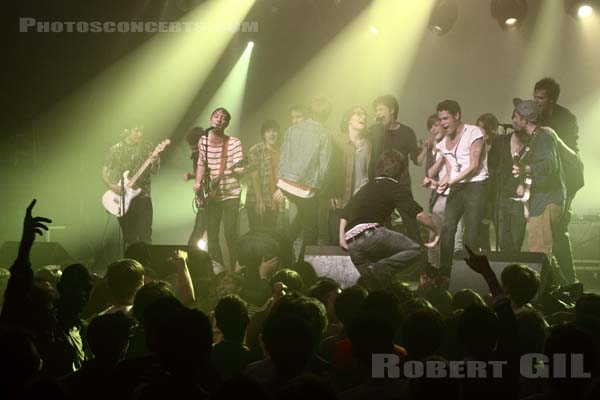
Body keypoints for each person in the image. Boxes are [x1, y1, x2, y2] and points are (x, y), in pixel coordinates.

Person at [339, 150, 439, 286]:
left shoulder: (367, 186)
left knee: (377, 285)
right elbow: (419, 214)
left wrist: (342, 239)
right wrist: (437, 230)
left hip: (352, 243)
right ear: (402, 172)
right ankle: (379, 268)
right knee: (415, 249)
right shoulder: (395, 186)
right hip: (371, 234)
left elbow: (345, 213)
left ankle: (378, 276)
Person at [534, 77, 581, 284]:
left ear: (552, 99)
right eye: (534, 97)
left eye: (541, 98)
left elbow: (571, 153)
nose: (536, 101)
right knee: (542, 230)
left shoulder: (567, 119)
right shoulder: (535, 116)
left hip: (567, 179)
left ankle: (570, 283)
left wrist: (552, 137)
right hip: (545, 180)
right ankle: (550, 281)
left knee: (559, 229)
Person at [275, 97, 332, 260]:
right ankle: (301, 267)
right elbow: (324, 166)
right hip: (305, 188)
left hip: (286, 183)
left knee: (303, 217)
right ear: (327, 115)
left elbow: (283, 155)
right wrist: (319, 187)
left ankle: (280, 249)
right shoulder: (324, 133)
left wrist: (281, 182)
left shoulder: (292, 130)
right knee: (311, 230)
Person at [435, 100, 488, 275]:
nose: (442, 123)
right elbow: (450, 170)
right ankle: (445, 271)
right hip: (458, 186)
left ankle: (470, 273)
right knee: (448, 227)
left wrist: (451, 182)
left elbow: (473, 166)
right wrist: (440, 182)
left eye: (445, 118)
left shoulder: (473, 132)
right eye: (440, 119)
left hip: (476, 185)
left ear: (456, 116)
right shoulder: (443, 143)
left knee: (471, 231)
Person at [511, 99, 565, 266]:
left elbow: (550, 165)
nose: (514, 119)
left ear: (525, 120)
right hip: (540, 201)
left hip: (546, 201)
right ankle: (559, 286)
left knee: (538, 252)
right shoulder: (534, 138)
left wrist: (527, 169)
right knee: (543, 252)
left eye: (517, 117)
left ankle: (542, 291)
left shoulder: (544, 136)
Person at [369, 94, 428, 244]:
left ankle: (420, 258)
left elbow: (417, 161)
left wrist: (427, 147)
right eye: (376, 110)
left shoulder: (407, 132)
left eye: (380, 109)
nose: (378, 114)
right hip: (379, 186)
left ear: (392, 110)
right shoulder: (374, 132)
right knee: (383, 225)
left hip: (401, 185)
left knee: (410, 223)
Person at [193, 107, 245, 270]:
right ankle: (219, 269)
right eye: (216, 116)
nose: (219, 120)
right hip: (211, 194)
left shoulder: (234, 142)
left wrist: (235, 170)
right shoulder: (203, 141)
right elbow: (201, 163)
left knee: (230, 233)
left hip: (231, 193)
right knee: (212, 234)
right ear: (210, 119)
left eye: (223, 118)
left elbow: (241, 170)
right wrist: (198, 183)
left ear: (227, 124)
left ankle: (237, 269)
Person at [102, 126, 160, 246]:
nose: (140, 134)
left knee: (146, 237)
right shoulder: (116, 149)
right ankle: (130, 264)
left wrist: (156, 161)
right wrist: (110, 185)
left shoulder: (147, 146)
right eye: (137, 131)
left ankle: (146, 264)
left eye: (142, 131)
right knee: (130, 238)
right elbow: (105, 170)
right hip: (123, 199)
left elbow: (155, 172)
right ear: (127, 131)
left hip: (143, 197)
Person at [326, 106, 372, 245]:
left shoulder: (369, 144)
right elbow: (329, 169)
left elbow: (369, 171)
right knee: (336, 241)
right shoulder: (338, 141)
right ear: (348, 120)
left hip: (362, 199)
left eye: (364, 115)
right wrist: (331, 194)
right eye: (358, 114)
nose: (362, 117)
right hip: (341, 199)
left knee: (359, 242)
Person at [487, 111, 527, 253]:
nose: (517, 121)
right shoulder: (500, 141)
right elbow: (490, 167)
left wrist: (524, 185)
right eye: (515, 117)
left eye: (521, 118)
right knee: (503, 243)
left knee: (516, 244)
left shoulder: (532, 143)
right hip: (500, 198)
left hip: (520, 201)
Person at [246, 120, 283, 232]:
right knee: (255, 233)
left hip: (274, 200)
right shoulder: (256, 149)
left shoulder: (282, 151)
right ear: (263, 134)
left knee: (270, 234)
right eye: (268, 131)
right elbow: (254, 175)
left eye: (274, 131)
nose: (271, 134)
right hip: (256, 199)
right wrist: (259, 200)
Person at [476, 113, 501, 250]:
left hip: (496, 191)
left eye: (482, 127)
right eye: (478, 127)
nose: (480, 130)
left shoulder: (499, 144)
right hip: (482, 190)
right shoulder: (477, 145)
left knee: (498, 227)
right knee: (482, 228)